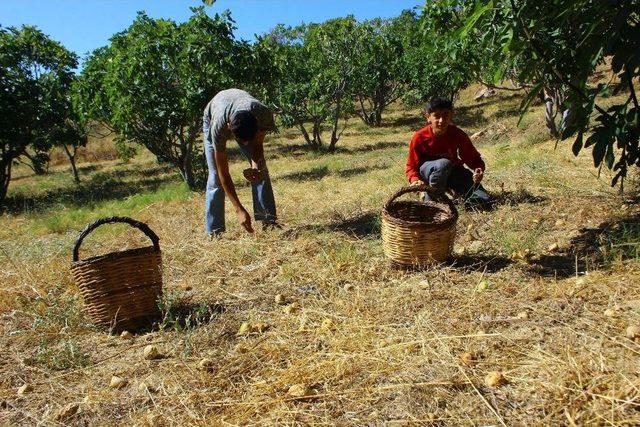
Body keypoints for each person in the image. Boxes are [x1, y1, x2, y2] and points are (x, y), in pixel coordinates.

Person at [203, 88, 280, 235]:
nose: (245, 145)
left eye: (248, 140)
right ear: (229, 129)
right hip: (212, 113)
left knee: (262, 169)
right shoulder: (219, 127)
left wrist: (256, 167)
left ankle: (268, 220)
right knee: (215, 177)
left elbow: (257, 146)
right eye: (241, 141)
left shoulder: (263, 114)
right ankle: (214, 231)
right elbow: (222, 172)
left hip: (240, 107)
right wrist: (239, 210)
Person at [405, 97, 492, 208]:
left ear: (451, 116)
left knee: (484, 200)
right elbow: (411, 166)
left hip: (453, 172)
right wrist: (415, 180)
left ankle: (454, 201)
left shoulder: (457, 134)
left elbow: (472, 157)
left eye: (446, 115)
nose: (441, 120)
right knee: (443, 164)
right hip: (429, 174)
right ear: (428, 117)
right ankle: (432, 201)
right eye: (437, 116)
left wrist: (478, 168)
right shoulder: (419, 137)